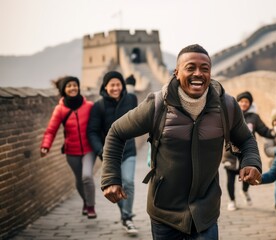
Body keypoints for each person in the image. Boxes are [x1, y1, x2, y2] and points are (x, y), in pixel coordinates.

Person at [101, 44, 262, 240]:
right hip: (164, 213)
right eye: (190, 67)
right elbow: (116, 132)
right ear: (176, 73)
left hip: (205, 213)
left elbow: (246, 139)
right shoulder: (158, 105)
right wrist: (111, 177)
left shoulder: (226, 106)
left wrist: (251, 162)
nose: (198, 73)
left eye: (205, 68)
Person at [87, 71, 138, 235]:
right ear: (105, 86)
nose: (116, 88)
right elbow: (92, 132)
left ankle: (127, 217)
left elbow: (139, 118)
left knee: (128, 182)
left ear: (122, 85)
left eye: (118, 84)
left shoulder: (131, 99)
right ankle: (125, 215)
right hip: (109, 154)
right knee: (115, 186)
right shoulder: (99, 106)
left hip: (129, 149)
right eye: (112, 85)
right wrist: (101, 151)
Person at [40, 76, 97, 218]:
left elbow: (97, 126)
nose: (72, 88)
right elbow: (51, 130)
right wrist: (45, 146)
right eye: (69, 86)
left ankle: (90, 206)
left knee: (87, 176)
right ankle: (85, 200)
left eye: (75, 85)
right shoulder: (60, 110)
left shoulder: (89, 106)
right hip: (71, 151)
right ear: (63, 90)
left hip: (89, 149)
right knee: (79, 179)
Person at [223, 91, 276, 209]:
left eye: (246, 102)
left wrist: (273, 133)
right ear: (237, 102)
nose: (243, 104)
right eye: (241, 101)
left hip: (246, 154)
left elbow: (263, 130)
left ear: (250, 104)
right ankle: (232, 201)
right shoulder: (231, 115)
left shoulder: (254, 117)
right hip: (230, 154)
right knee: (230, 178)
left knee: (247, 176)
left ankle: (245, 191)